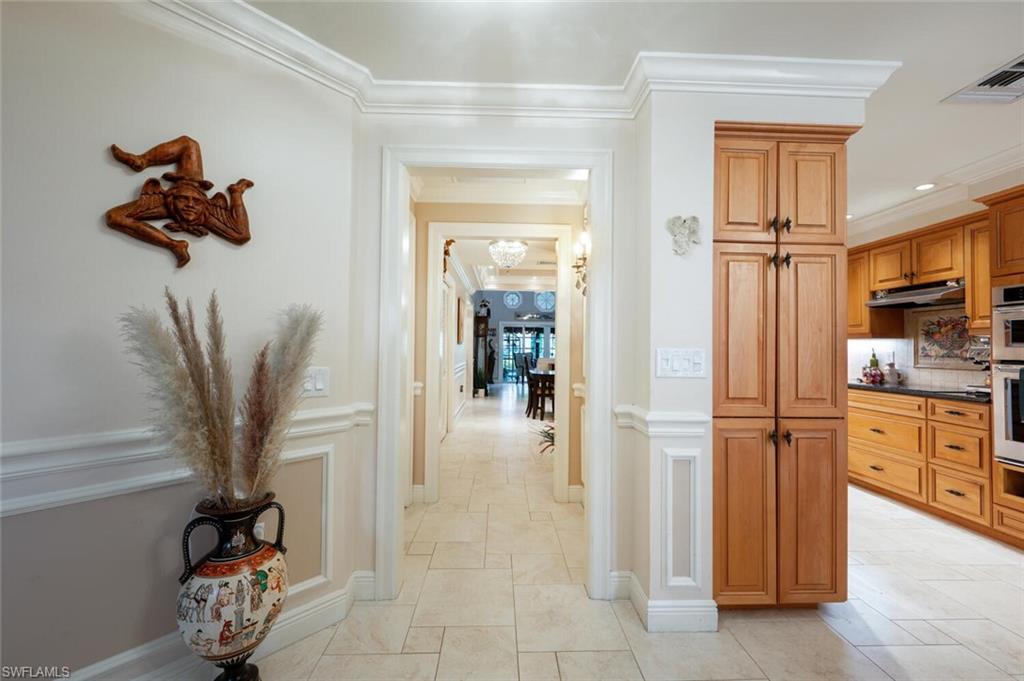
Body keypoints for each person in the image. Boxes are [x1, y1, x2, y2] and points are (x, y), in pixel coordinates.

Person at [106, 136, 253, 267]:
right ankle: (142, 161)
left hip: (193, 188)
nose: (190, 205)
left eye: (196, 201)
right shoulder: (163, 204)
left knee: (190, 145)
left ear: (204, 203)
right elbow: (114, 217)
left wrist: (236, 195)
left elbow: (242, 235)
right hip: (184, 187)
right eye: (183, 199)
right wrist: (170, 244)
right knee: (190, 145)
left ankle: (235, 190)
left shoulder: (207, 214)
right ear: (171, 200)